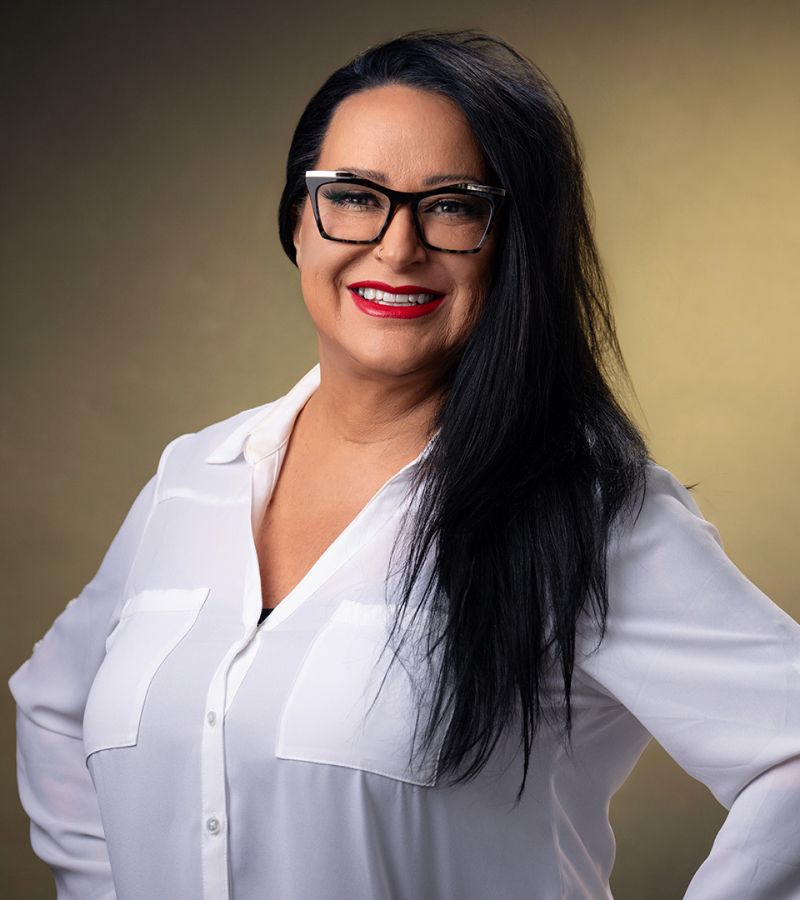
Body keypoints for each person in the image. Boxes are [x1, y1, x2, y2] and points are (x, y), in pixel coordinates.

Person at [8, 29, 800, 900]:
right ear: (298, 224)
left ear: (513, 242)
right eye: (352, 196)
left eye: (454, 205)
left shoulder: (587, 508)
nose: (396, 248)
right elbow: (57, 703)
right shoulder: (195, 476)